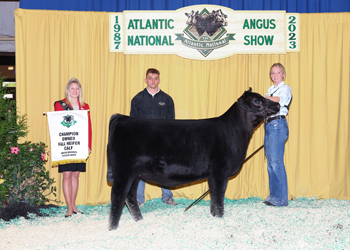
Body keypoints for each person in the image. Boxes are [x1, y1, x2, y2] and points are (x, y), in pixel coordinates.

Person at [130, 68, 177, 207]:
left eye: (155, 78)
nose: (153, 81)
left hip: (162, 142)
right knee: (141, 170)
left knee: (164, 168)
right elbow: (133, 123)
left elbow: (172, 123)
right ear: (146, 80)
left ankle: (167, 197)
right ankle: (138, 199)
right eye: (150, 78)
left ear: (159, 80)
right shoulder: (137, 99)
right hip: (143, 143)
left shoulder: (167, 100)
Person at [54, 77, 92, 217]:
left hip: (79, 144)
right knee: (67, 175)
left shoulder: (85, 106)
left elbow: (88, 127)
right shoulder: (60, 105)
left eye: (77, 88)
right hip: (66, 144)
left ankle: (74, 206)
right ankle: (69, 208)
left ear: (80, 91)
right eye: (72, 88)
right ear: (68, 90)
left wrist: (89, 145)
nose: (75, 91)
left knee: (76, 175)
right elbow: (57, 125)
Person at [263, 63, 292, 207]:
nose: (275, 75)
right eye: (273, 73)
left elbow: (279, 100)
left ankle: (281, 199)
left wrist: (265, 99)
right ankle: (274, 196)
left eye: (278, 73)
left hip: (278, 125)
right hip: (269, 125)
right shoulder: (270, 90)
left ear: (283, 74)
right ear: (270, 76)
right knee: (270, 163)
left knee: (276, 162)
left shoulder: (285, 89)